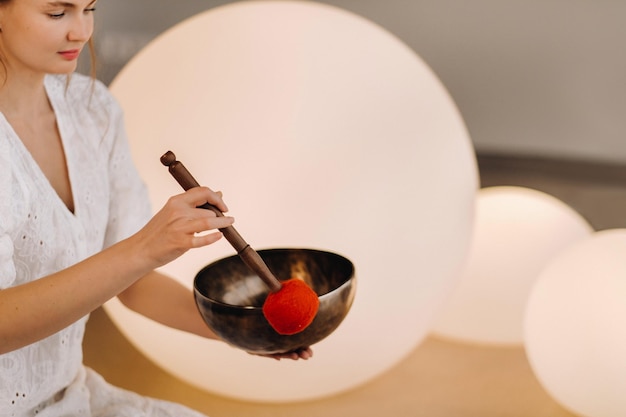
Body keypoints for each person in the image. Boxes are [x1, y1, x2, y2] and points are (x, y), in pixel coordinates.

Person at [0, 0, 312, 415]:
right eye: (58, 14)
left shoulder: (92, 110)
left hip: (71, 399)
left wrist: (242, 331)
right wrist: (143, 247)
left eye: (89, 9)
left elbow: (134, 284)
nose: (81, 32)